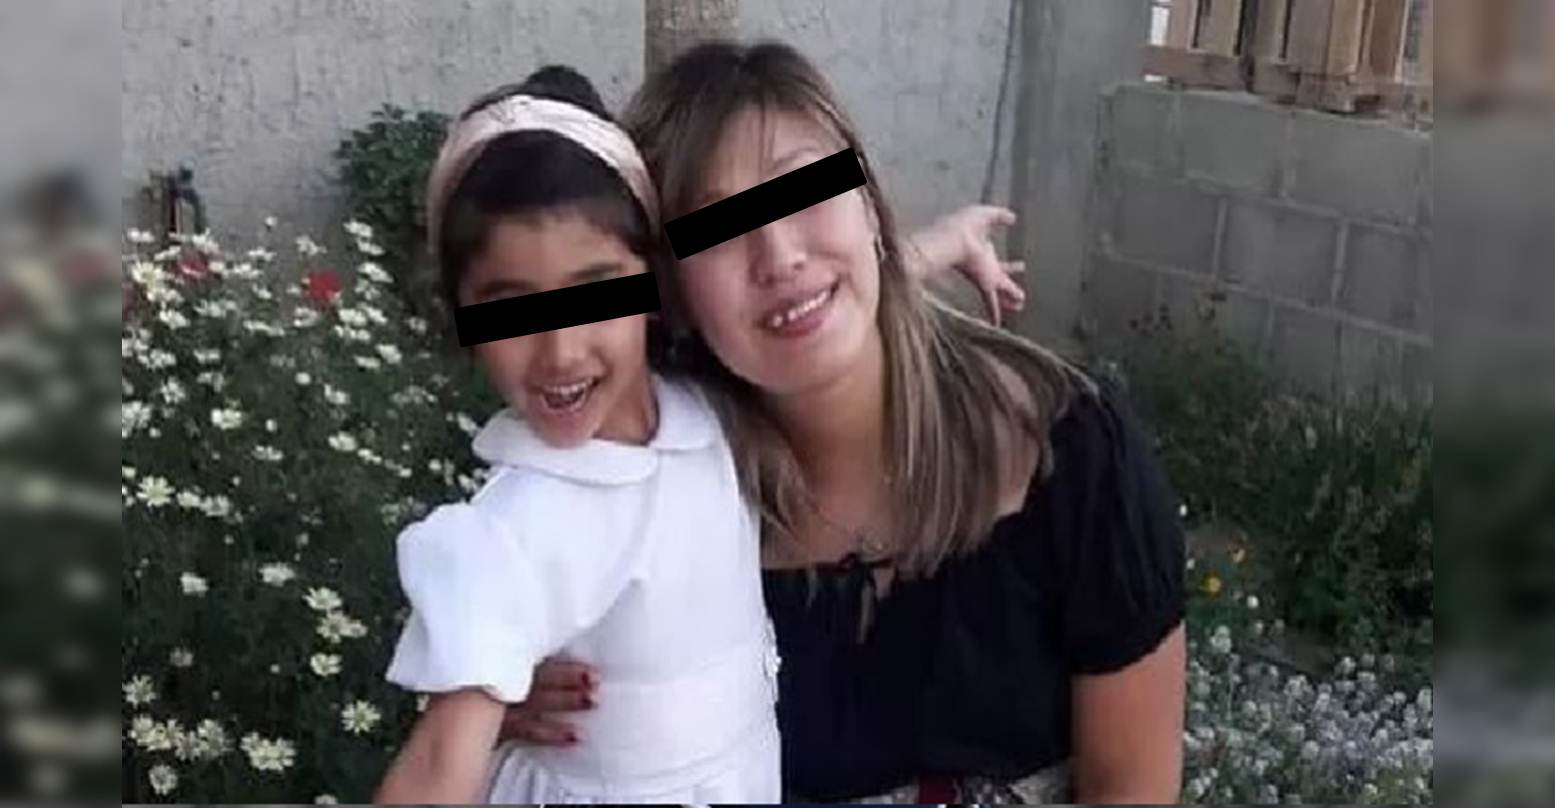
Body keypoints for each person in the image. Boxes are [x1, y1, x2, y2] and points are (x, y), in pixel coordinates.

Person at [501, 42, 1189, 804]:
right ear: (671, 295)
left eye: (804, 188)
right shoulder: (653, 500)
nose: (778, 255)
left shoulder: (1068, 455)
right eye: (716, 230)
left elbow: (1130, 785)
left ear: (868, 201)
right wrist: (503, 691)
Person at [374, 65, 1028, 805]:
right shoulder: (509, 533)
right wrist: (489, 697)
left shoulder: (700, 407)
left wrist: (944, 242)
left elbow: (805, 305)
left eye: (595, 290)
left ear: (653, 287)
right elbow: (437, 766)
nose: (561, 350)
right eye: (511, 309)